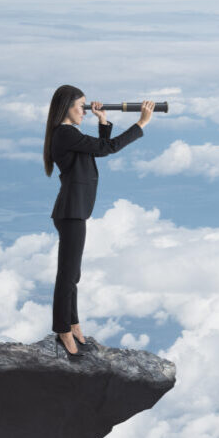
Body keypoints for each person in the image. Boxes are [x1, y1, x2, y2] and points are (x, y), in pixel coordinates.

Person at [43, 85, 154, 357]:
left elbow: (97, 149)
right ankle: (62, 329)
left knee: (73, 274)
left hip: (74, 211)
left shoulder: (69, 134)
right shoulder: (65, 133)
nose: (84, 110)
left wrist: (103, 122)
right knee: (67, 276)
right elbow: (108, 148)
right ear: (67, 107)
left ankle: (73, 323)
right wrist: (140, 123)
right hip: (71, 212)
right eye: (80, 105)